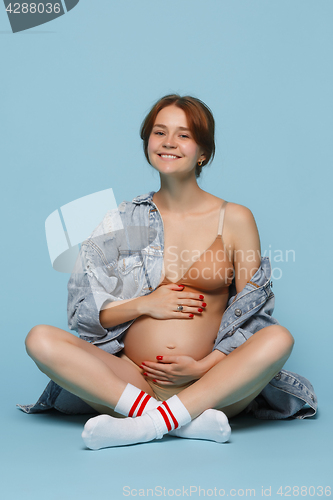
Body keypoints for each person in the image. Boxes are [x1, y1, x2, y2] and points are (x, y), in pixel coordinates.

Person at [25, 94, 296, 450]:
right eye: (159, 132)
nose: (169, 142)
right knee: (39, 339)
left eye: (184, 135)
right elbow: (84, 312)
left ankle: (143, 425)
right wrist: (144, 304)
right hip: (130, 381)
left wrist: (204, 367)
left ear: (203, 153)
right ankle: (174, 420)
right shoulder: (122, 220)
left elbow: (255, 315)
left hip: (211, 383)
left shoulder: (234, 219)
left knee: (280, 339)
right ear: (147, 143)